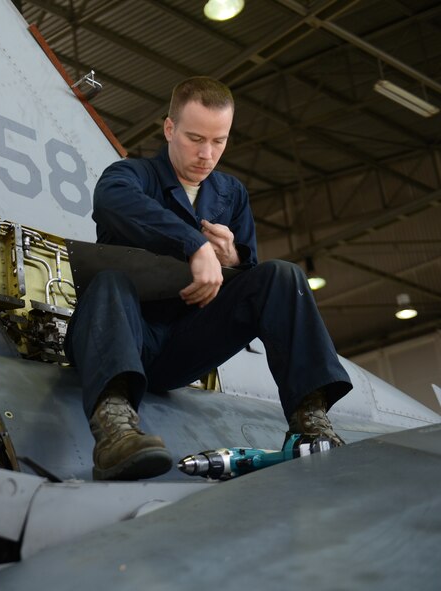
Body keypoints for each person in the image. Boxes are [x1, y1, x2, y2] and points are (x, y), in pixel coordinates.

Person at [64, 77, 352, 481]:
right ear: (169, 129)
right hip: (125, 338)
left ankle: (310, 420)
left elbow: (252, 285)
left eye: (219, 141)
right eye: (195, 138)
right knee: (110, 281)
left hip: (187, 344)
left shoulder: (230, 194)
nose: (206, 154)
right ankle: (115, 429)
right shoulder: (131, 176)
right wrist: (194, 245)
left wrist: (231, 256)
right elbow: (112, 201)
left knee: (282, 276)